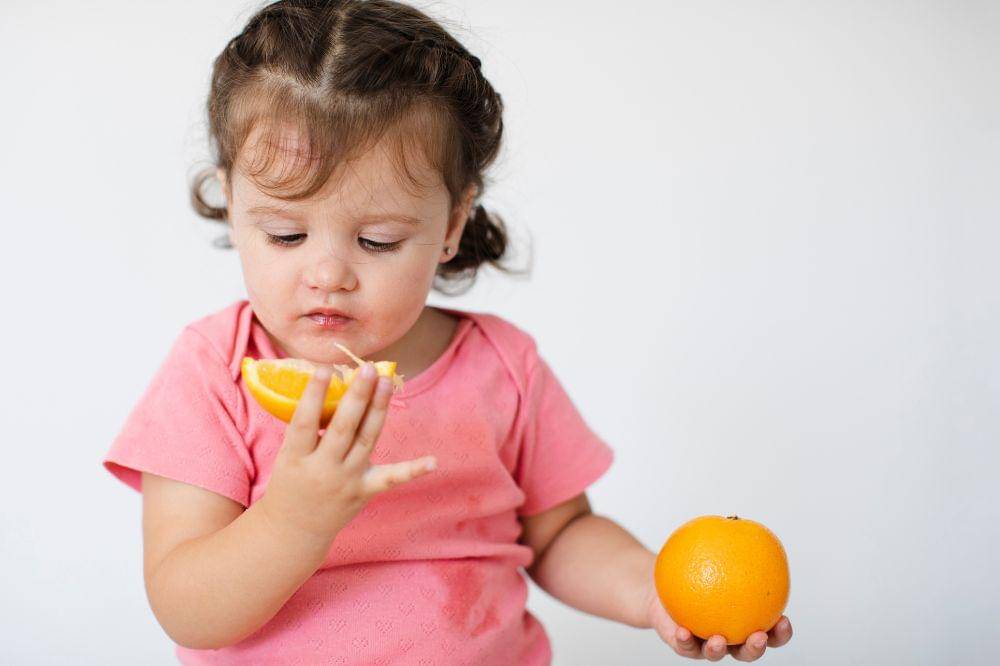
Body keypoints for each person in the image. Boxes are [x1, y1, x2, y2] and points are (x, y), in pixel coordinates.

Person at [102, 1, 793, 663]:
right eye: (286, 234)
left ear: (452, 226)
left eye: (376, 241)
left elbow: (561, 534)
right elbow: (186, 607)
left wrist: (655, 593)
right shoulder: (215, 372)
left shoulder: (503, 367)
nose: (327, 275)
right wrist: (293, 520)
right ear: (232, 205)